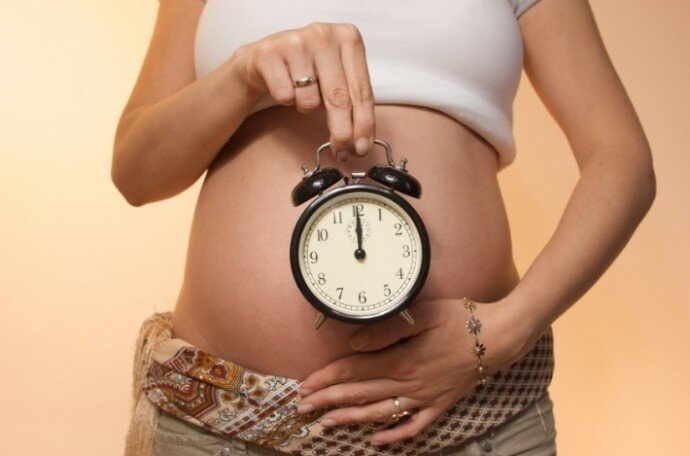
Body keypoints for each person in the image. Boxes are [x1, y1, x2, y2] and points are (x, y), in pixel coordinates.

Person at [112, 0, 656, 455]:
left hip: (474, 422)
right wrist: (242, 75)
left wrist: (509, 329)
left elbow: (621, 157)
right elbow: (137, 174)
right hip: (222, 427)